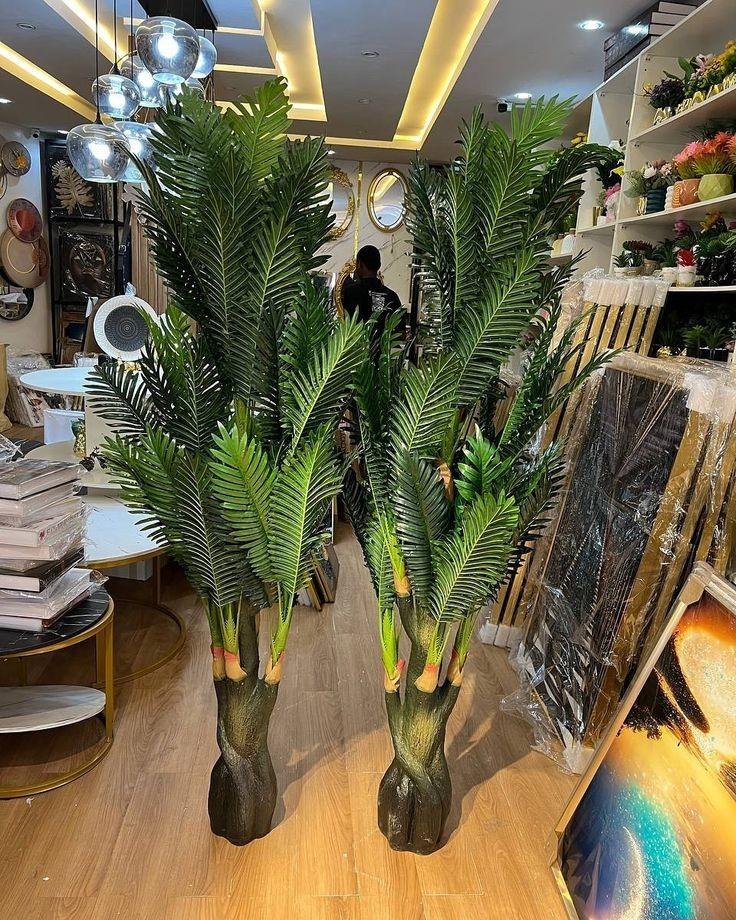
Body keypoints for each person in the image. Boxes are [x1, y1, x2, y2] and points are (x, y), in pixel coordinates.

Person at [342, 245, 405, 336]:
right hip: (384, 345)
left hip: (357, 344)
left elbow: (346, 326)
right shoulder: (392, 296)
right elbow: (400, 332)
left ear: (359, 264)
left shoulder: (351, 292)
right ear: (379, 265)